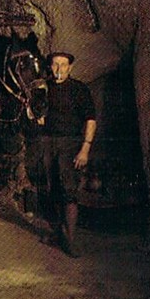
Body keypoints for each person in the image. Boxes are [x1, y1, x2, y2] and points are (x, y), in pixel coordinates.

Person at [28, 51, 97, 257]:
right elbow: (36, 114)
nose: (59, 69)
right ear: (50, 67)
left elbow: (91, 120)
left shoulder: (79, 89)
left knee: (69, 192)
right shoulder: (44, 88)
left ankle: (70, 240)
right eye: (55, 65)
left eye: (63, 65)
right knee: (52, 189)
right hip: (48, 143)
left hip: (71, 144)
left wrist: (85, 148)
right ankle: (58, 234)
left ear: (70, 68)